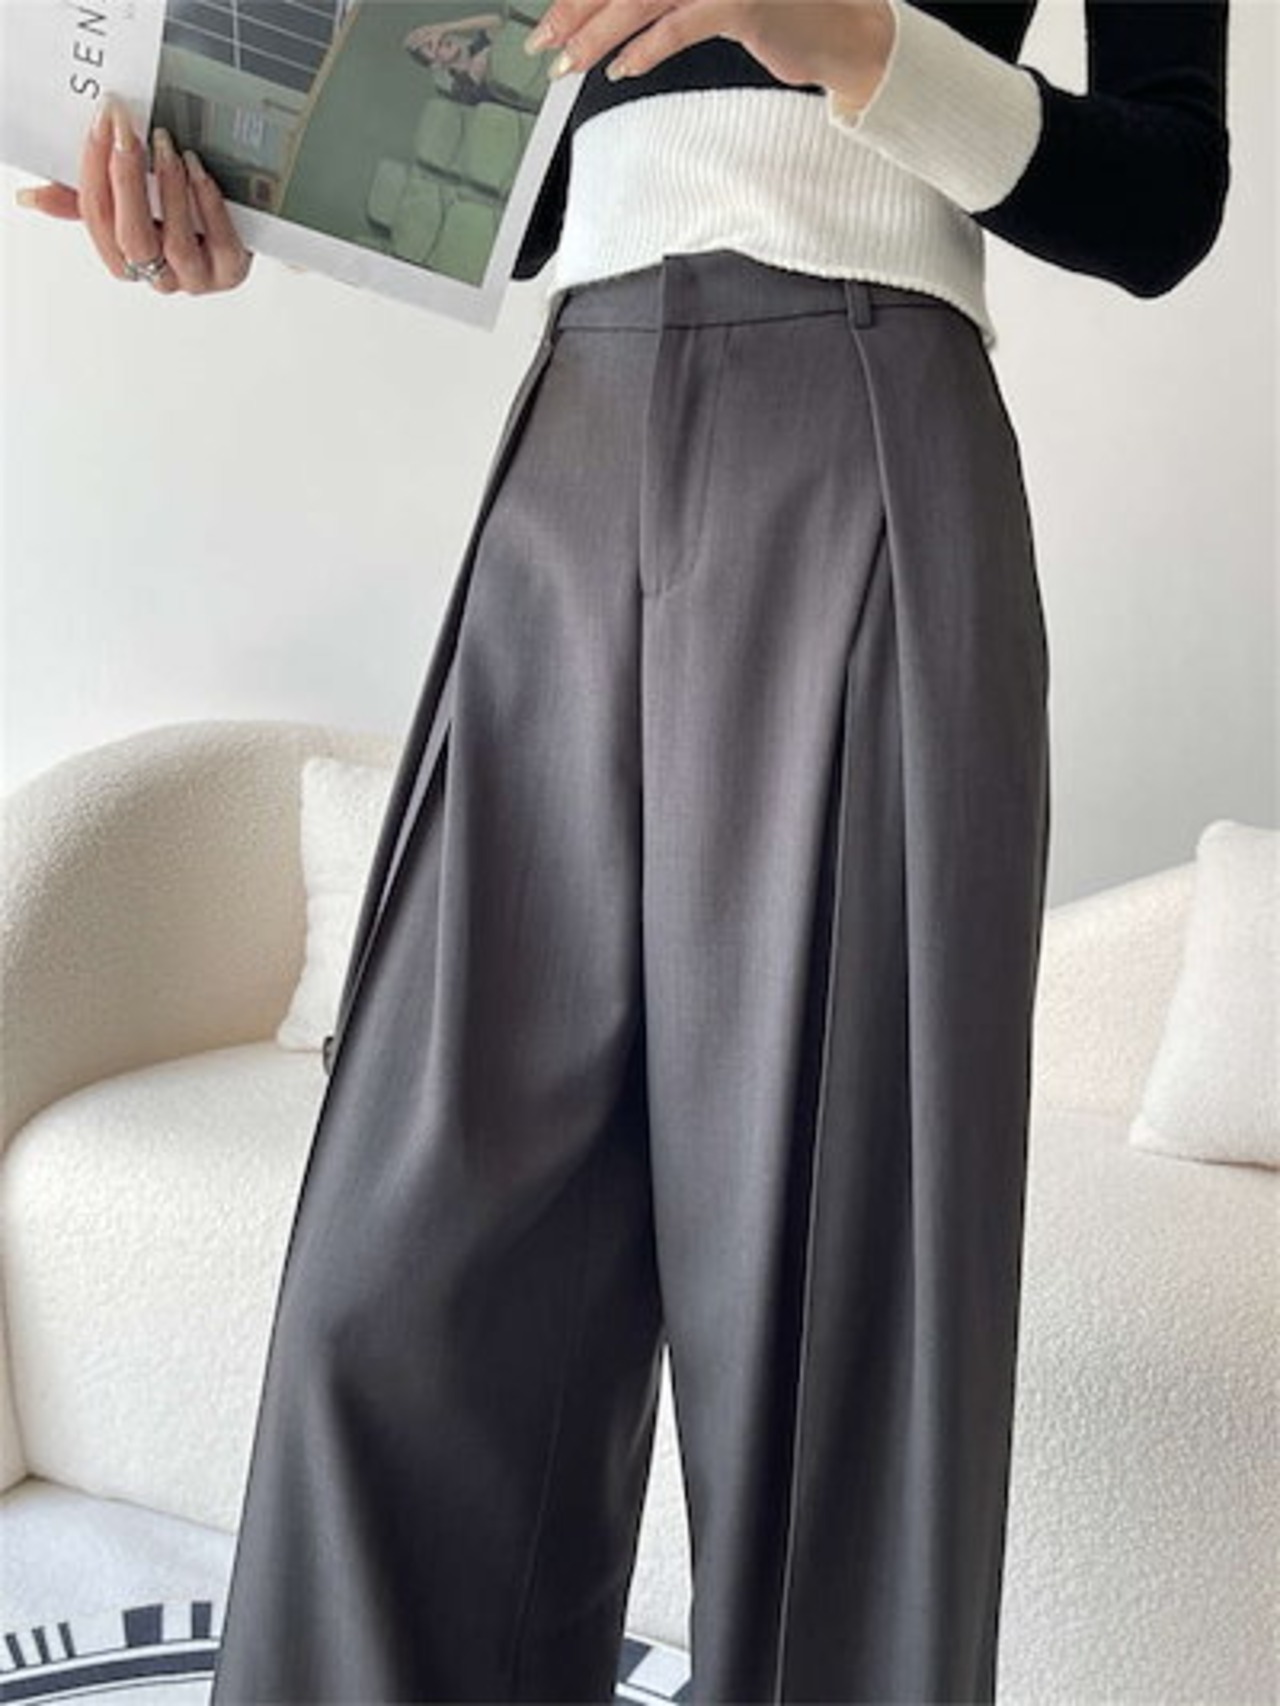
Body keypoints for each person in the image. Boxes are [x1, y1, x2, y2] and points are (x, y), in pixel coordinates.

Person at [16, 2, 1231, 1699]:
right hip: (575, 432)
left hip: (868, 424)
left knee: (829, 1338)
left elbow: (1165, 195)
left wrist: (849, 39)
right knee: (396, 1302)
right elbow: (511, 178)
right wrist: (237, 193)